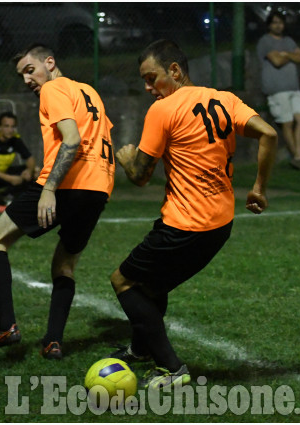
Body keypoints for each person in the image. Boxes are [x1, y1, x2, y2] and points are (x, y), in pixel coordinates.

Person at [109, 39, 277, 389]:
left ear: (174, 70)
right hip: (220, 224)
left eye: (152, 77)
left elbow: (140, 176)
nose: (147, 87)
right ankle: (141, 349)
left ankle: (172, 368)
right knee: (154, 284)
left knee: (123, 280)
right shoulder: (225, 99)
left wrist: (125, 157)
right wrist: (259, 186)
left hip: (185, 225)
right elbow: (269, 133)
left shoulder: (163, 109)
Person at [0, 44, 115, 359]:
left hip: (66, 182)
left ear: (50, 62)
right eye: (22, 75)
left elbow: (72, 138)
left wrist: (50, 188)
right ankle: (53, 341)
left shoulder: (53, 88)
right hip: (98, 187)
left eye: (29, 70)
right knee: (64, 264)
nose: (26, 80)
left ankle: (6, 326)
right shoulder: (88, 91)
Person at [256, 11, 300, 171]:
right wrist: (292, 55)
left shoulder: (289, 41)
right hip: (277, 89)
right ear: (269, 25)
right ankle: (297, 158)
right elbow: (277, 61)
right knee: (287, 122)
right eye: (274, 23)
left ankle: (299, 157)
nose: (278, 25)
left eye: (280, 22)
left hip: (294, 88)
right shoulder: (265, 41)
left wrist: (285, 53)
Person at [0, 112, 37, 201]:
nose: (10, 130)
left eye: (13, 127)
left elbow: (30, 158)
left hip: (3, 172)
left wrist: (29, 171)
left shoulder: (15, 138)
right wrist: (10, 179)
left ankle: (15, 197)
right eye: (6, 126)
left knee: (35, 171)